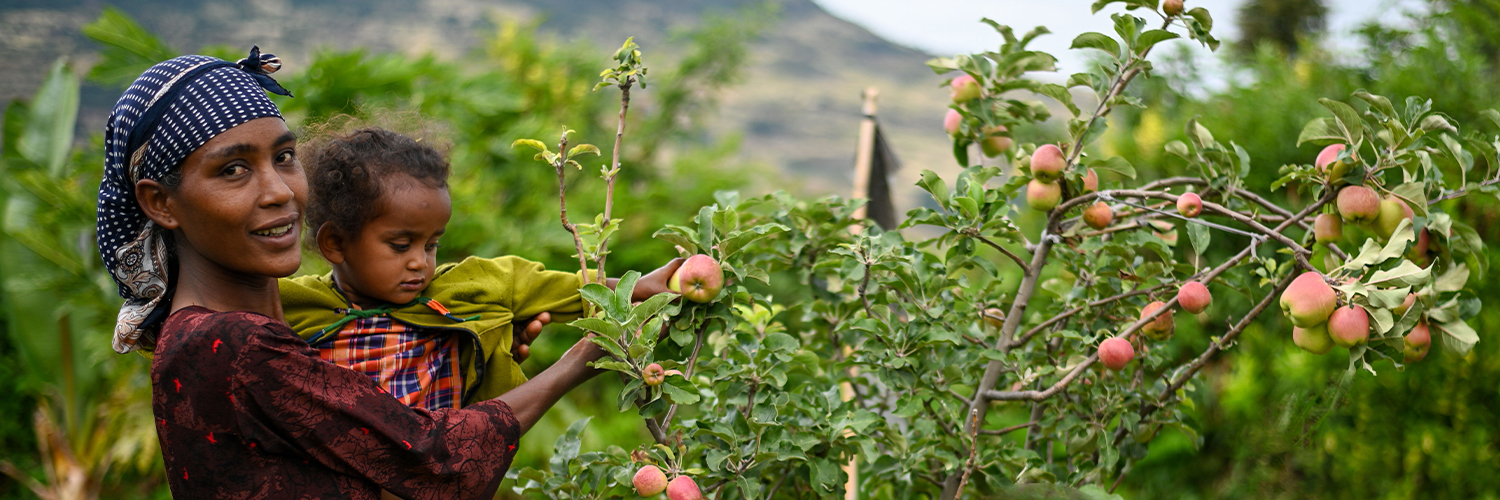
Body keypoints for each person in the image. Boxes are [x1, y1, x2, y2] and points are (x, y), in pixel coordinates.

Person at [96, 48, 677, 499]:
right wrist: (585, 357)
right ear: (161, 202)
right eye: (232, 171)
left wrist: (467, 357)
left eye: (284, 157)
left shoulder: (274, 332)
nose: (279, 192)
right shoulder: (229, 344)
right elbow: (435, 462)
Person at [278, 126, 659, 410]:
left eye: (432, 245)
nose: (419, 262)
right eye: (400, 245)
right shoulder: (293, 306)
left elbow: (551, 286)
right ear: (336, 243)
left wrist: (642, 288)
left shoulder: (464, 289)